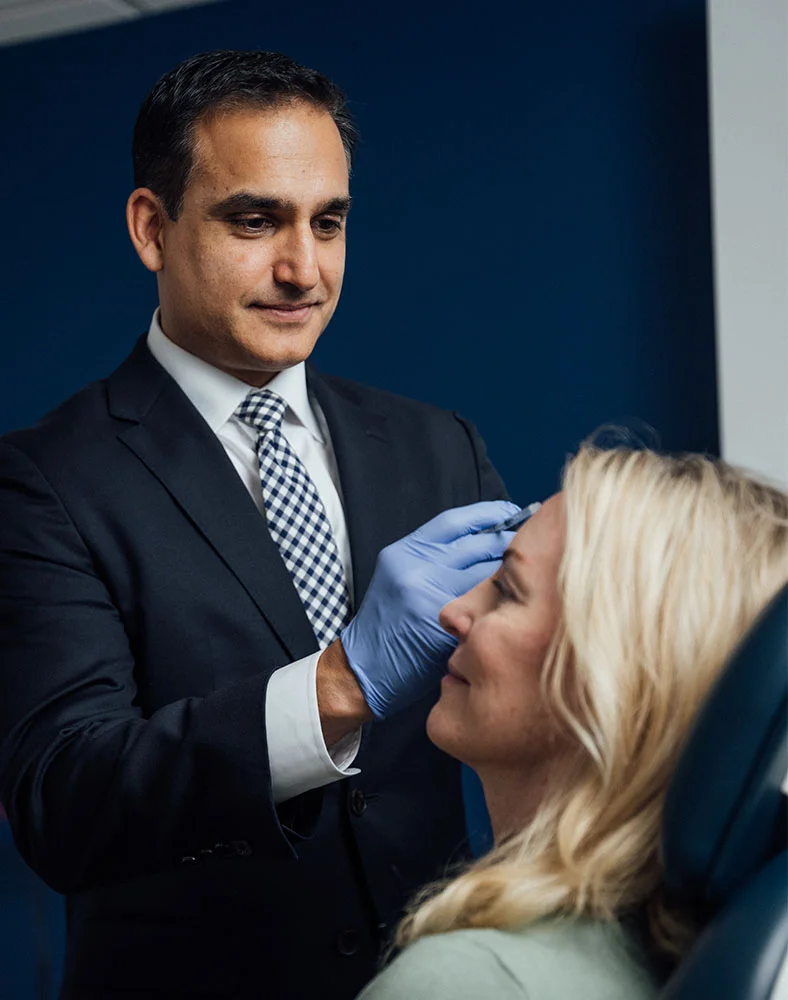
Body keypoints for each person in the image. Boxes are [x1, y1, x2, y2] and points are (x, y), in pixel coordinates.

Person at [0, 51, 515, 999]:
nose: (303, 269)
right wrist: (340, 683)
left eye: (330, 222)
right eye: (255, 220)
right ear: (152, 228)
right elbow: (63, 801)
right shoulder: (41, 482)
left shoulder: (437, 446)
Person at [357, 444, 788, 1000]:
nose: (453, 611)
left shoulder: (467, 983)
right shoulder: (702, 944)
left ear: (613, 676)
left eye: (507, 590)